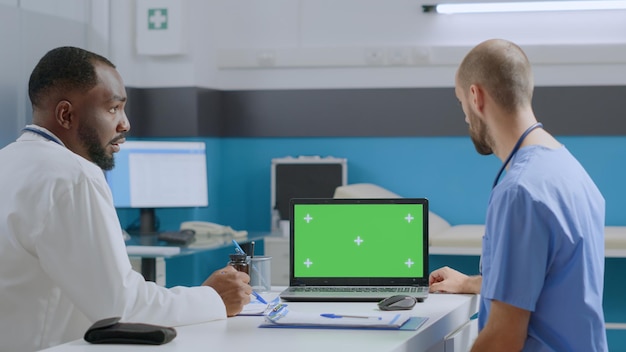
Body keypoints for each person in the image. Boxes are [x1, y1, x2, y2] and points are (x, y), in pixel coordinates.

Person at [0, 46, 252, 351]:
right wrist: (214, 297)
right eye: (112, 108)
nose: (125, 123)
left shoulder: (9, 161)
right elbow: (120, 307)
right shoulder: (74, 174)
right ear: (66, 114)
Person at [429, 39, 607, 351]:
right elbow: (547, 281)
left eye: (461, 105)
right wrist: (470, 283)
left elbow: (503, 339)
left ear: (476, 96)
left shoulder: (519, 192)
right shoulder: (569, 169)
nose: (466, 119)